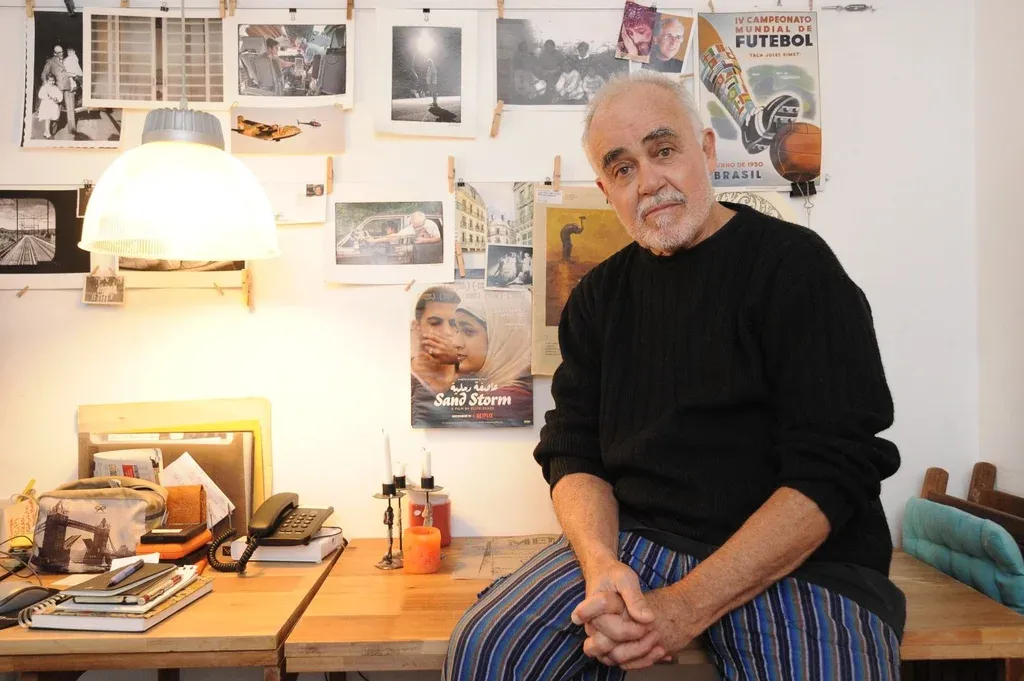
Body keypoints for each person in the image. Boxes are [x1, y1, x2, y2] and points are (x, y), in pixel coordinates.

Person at [444, 70, 905, 680]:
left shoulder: (797, 267)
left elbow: (836, 467)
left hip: (802, 561)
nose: (648, 181)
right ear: (607, 190)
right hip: (639, 543)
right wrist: (600, 563)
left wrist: (687, 605)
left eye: (663, 150)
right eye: (622, 168)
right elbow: (572, 449)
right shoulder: (598, 298)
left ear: (707, 150)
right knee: (489, 652)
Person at [411, 286, 463, 427]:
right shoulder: (402, 379)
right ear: (417, 328)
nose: (447, 332)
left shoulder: (475, 377)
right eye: (435, 323)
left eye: (454, 324)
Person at [40, 45, 75, 135]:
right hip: (58, 88)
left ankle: (72, 129)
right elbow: (44, 74)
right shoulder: (51, 61)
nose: (61, 54)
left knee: (71, 109)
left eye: (62, 51)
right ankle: (51, 131)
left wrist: (74, 82)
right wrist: (47, 87)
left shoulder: (68, 60)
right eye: (59, 52)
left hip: (69, 87)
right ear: (54, 53)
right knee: (56, 110)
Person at [37, 74, 62, 139]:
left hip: (53, 105)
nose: (52, 82)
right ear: (47, 81)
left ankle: (46, 132)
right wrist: (47, 97)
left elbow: (60, 96)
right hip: (46, 105)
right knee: (47, 119)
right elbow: (40, 95)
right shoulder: (44, 87)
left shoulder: (56, 88)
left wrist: (57, 99)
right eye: (50, 81)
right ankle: (48, 134)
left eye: (53, 80)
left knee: (51, 119)